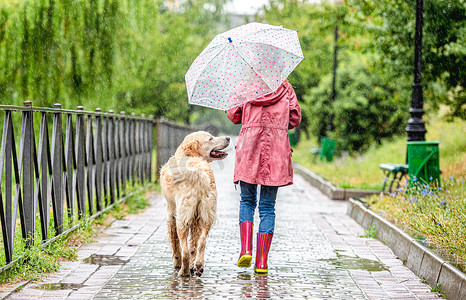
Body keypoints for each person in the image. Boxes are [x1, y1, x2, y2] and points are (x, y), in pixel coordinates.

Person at [227, 79, 301, 274]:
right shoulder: (285, 87)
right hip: (275, 150)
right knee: (268, 207)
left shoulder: (244, 85)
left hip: (249, 148)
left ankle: (245, 250)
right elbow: (295, 119)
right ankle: (261, 262)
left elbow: (233, 115)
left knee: (247, 200)